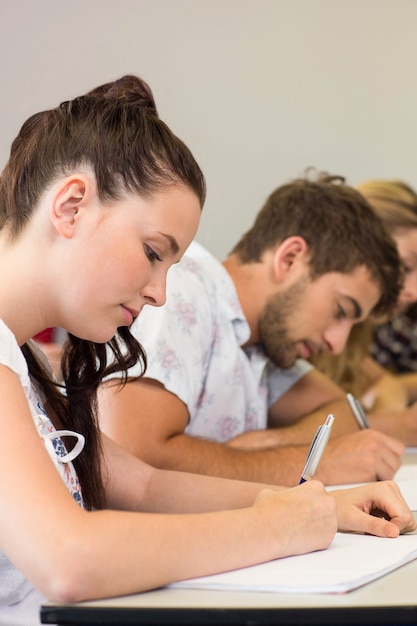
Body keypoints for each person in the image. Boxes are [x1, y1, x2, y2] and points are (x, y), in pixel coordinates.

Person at [3, 75, 415, 626]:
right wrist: (275, 528)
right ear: (71, 205)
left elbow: (144, 484)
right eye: (153, 252)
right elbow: (69, 560)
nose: (160, 292)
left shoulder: (27, 367)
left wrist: (319, 506)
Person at [98, 172, 406, 487]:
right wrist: (313, 464)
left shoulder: (260, 343)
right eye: (340, 311)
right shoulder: (185, 288)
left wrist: (265, 444)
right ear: (290, 259)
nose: (336, 343)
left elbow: (345, 415)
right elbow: (131, 457)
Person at [311, 179, 417, 444]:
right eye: (404, 268)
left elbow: (388, 388)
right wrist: (397, 425)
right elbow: (287, 431)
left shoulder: (357, 333)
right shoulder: (308, 327)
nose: (414, 292)